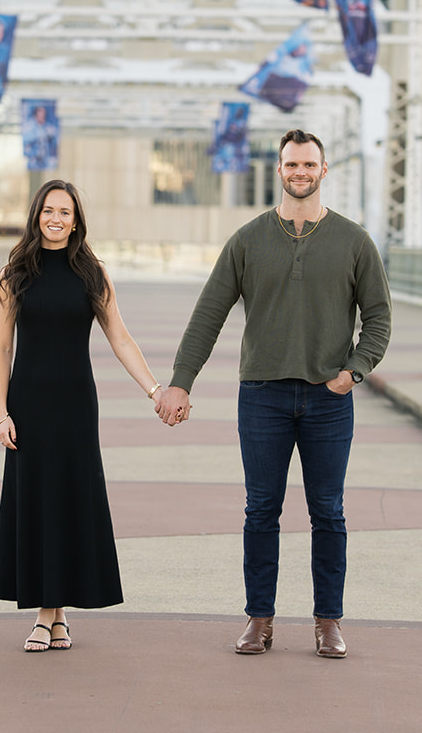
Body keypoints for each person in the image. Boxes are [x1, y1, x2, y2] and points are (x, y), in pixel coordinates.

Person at [155, 129, 391, 659]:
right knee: (261, 509)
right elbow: (208, 316)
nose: (300, 172)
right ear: (279, 170)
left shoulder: (355, 242)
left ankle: (328, 621)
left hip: (329, 401)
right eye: (291, 165)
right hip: (261, 397)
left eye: (309, 164)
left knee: (328, 511)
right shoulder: (248, 240)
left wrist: (353, 372)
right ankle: (259, 618)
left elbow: (378, 320)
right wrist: (180, 381)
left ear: (324, 170)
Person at [0, 179, 166, 652]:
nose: (56, 219)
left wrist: (153, 389)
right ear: (36, 214)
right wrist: (1, 412)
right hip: (28, 406)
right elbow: (3, 347)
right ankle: (55, 615)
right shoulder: (13, 274)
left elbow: (120, 338)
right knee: (38, 501)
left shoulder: (93, 273)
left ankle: (49, 616)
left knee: (68, 499)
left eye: (65, 212)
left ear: (77, 220)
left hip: (74, 406)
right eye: (49, 210)